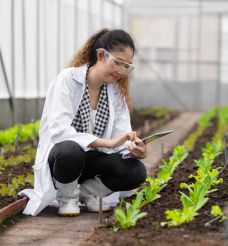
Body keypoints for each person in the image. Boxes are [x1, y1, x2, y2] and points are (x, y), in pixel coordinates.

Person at [19, 28, 148, 216]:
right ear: (101, 55)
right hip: (64, 164)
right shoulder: (68, 80)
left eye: (127, 66)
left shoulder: (115, 92)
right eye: (118, 63)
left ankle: (88, 194)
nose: (122, 71)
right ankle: (68, 197)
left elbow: (121, 135)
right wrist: (108, 143)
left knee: (136, 172)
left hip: (92, 162)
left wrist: (135, 150)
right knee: (69, 150)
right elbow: (59, 131)